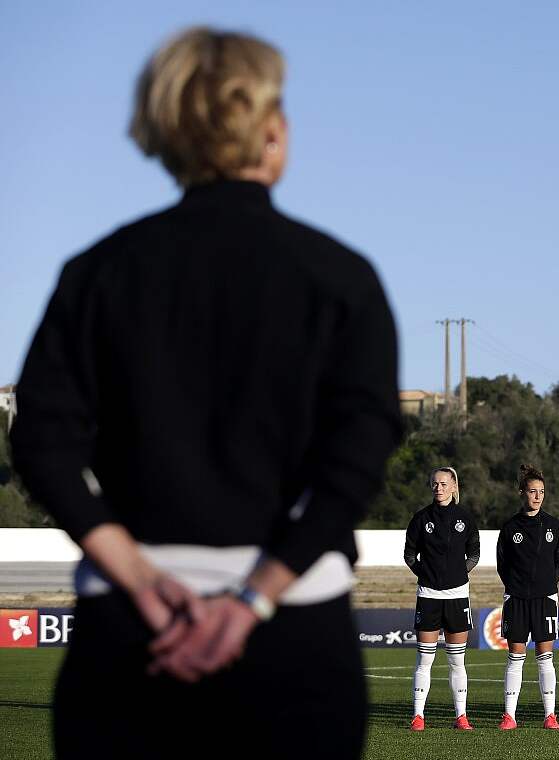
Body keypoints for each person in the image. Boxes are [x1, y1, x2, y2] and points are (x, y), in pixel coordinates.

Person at [10, 27, 401, 759]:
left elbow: (41, 441)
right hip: (294, 640)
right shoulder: (340, 277)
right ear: (271, 130)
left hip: (131, 636)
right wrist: (254, 600)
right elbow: (355, 463)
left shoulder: (98, 272)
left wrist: (143, 582)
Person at [403, 467, 480, 731]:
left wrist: (459, 573)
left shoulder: (465, 519)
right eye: (435, 483)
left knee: (457, 660)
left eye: (444, 483)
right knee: (425, 659)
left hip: (458, 595)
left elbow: (474, 554)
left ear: (454, 486)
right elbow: (410, 555)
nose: (439, 488)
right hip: (428, 594)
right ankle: (418, 716)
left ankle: (461, 716)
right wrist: (425, 573)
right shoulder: (420, 518)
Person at [495, 464, 559, 730]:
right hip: (516, 598)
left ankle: (550, 715)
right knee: (516, 656)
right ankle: (509, 716)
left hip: (545, 598)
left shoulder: (553, 525)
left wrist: (546, 584)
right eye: (532, 491)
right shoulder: (510, 527)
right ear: (522, 492)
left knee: (545, 657)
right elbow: (502, 564)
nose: (537, 496)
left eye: (541, 492)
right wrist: (517, 585)